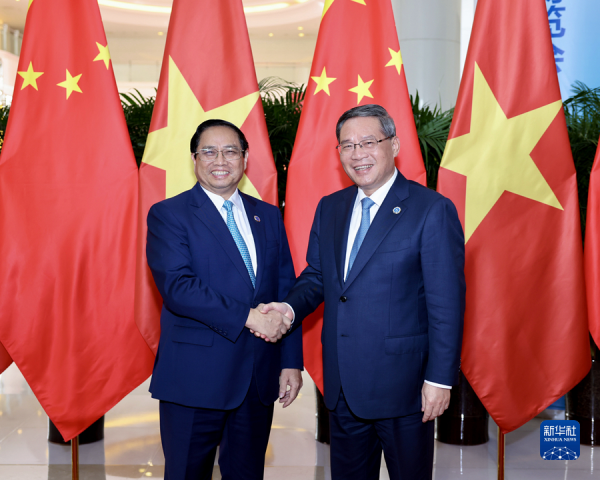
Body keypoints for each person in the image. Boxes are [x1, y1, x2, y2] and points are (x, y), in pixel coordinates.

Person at [261, 104, 465, 479]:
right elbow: (318, 276)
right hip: (343, 386)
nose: (358, 154)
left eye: (368, 142)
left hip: (406, 388)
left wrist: (439, 380)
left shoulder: (431, 209)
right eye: (348, 145)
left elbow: (446, 306)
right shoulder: (331, 208)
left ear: (394, 145)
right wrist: (288, 310)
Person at [146, 119, 303, 480]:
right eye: (209, 151)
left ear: (245, 159)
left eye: (231, 151)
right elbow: (179, 288)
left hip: (257, 380)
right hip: (194, 380)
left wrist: (291, 362)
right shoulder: (169, 215)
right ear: (194, 159)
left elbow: (285, 290)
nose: (221, 160)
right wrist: (251, 317)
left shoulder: (268, 215)